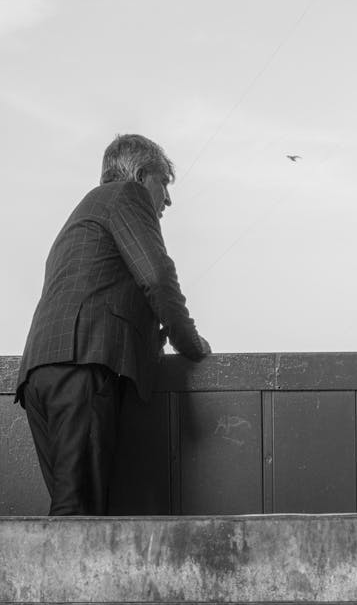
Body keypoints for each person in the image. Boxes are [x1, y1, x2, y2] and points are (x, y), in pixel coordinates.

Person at [15, 134, 211, 517]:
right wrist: (189, 343)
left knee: (73, 510)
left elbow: (105, 291)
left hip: (43, 372)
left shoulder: (85, 214)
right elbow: (156, 276)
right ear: (140, 174)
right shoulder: (127, 195)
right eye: (164, 183)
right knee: (79, 517)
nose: (167, 199)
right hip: (82, 363)